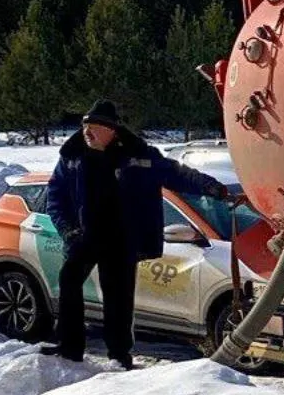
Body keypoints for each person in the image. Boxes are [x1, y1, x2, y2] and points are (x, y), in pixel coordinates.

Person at [39, 100, 232, 369]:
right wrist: (67, 229)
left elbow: (178, 174)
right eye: (85, 126)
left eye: (94, 127)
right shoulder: (71, 156)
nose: (87, 132)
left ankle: (119, 354)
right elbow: (55, 196)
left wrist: (215, 189)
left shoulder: (139, 155)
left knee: (118, 297)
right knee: (69, 283)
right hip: (83, 236)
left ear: (112, 131)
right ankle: (70, 348)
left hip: (121, 237)